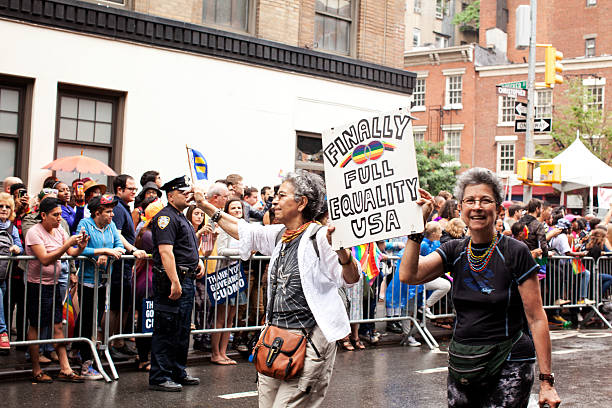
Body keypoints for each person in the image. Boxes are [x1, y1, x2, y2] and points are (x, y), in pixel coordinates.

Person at [194, 169, 360, 407]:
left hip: (310, 342)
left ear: (301, 203)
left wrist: (342, 252)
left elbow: (352, 277)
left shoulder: (322, 237)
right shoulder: (280, 234)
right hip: (276, 341)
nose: (274, 200)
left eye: (282, 195)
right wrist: (206, 205)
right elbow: (242, 229)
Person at [398, 168, 560, 408]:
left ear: (498, 209)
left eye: (485, 200)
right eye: (470, 201)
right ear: (461, 208)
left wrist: (546, 381)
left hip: (509, 361)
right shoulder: (455, 249)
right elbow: (409, 275)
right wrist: (416, 227)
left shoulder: (516, 252)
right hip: (463, 363)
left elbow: (536, 318)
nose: (477, 207)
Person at [148, 176, 205, 392]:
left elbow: (185, 247)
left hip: (187, 278)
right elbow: (165, 251)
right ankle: (160, 376)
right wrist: (174, 281)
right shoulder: (165, 218)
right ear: (171, 195)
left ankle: (177, 371)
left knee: (181, 329)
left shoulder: (181, 217)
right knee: (166, 329)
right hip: (173, 280)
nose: (188, 195)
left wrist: (197, 260)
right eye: (184, 192)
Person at [25, 197, 89, 383]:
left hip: (54, 284)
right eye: (55, 215)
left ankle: (65, 368)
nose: (59, 218)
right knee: (36, 325)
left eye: (61, 214)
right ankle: (36, 369)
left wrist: (80, 247)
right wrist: (67, 244)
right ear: (43, 215)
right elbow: (45, 258)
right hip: (37, 284)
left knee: (58, 325)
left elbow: (71, 254)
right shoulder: (34, 232)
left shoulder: (59, 230)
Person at [75, 194, 125, 380]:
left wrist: (111, 253)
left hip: (104, 279)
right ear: (97, 212)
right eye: (108, 212)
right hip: (87, 279)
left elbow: (120, 246)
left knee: (95, 317)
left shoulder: (111, 226)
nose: (112, 215)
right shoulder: (85, 224)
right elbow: (79, 248)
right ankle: (85, 360)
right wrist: (101, 251)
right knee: (87, 318)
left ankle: (83, 351)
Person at [109, 174, 147, 361]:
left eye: (134, 189)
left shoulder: (124, 207)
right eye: (131, 188)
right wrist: (133, 250)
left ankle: (119, 342)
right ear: (119, 190)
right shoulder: (116, 207)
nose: (135, 192)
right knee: (116, 306)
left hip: (125, 266)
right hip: (117, 265)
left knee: (124, 305)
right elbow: (116, 235)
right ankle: (110, 344)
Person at [133, 199, 164, 372]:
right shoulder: (148, 235)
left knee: (151, 321)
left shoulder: (151, 233)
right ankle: (143, 357)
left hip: (150, 280)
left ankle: (146, 355)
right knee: (146, 321)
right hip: (148, 282)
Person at [0, 193, 23, 352]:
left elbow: (20, 246)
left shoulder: (12, 227)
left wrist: (17, 249)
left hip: (3, 275)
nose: (4, 209)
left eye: (7, 207)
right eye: (0, 206)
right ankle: (3, 333)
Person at [419, 222, 451, 319]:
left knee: (446, 285)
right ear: (433, 234)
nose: (441, 234)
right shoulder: (424, 244)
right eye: (440, 232)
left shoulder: (435, 243)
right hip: (421, 279)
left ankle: (425, 306)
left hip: (428, 277)